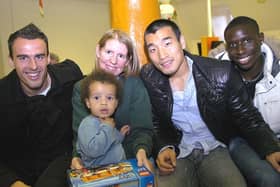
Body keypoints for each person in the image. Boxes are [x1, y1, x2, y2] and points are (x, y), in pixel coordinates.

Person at [140, 18, 280, 187]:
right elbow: (155, 121)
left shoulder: (220, 72)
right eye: (153, 49)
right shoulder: (149, 77)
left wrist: (270, 148)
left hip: (215, 147)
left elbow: (247, 116)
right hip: (178, 151)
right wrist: (163, 147)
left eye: (167, 43)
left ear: (182, 42)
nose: (162, 56)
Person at [0, 23, 83, 187]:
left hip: (64, 169)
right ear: (11, 60)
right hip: (16, 175)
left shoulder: (71, 76)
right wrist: (12, 182)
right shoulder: (2, 95)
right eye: (23, 58)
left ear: (48, 58)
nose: (33, 66)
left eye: (39, 56)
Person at [71, 29, 154, 172]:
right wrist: (76, 156)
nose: (113, 61)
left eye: (121, 56)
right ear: (98, 51)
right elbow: (81, 133)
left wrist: (142, 150)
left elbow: (143, 129)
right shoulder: (81, 87)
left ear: (127, 60)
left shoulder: (134, 84)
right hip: (94, 164)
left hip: (130, 158)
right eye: (108, 52)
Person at [217, 16, 280, 186]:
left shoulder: (278, 72)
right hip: (240, 140)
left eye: (246, 41)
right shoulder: (216, 76)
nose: (240, 50)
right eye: (233, 45)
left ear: (261, 38)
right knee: (270, 179)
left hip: (276, 135)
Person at [77, 69, 130, 168]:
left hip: (117, 171)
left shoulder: (108, 122)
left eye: (109, 98)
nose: (103, 103)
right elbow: (92, 150)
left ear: (116, 103)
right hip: (99, 174)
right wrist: (108, 128)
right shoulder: (87, 124)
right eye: (97, 98)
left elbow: (110, 141)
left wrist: (120, 135)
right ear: (88, 102)